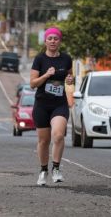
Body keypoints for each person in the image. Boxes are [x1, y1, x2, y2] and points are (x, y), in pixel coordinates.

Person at [30, 27, 74, 186]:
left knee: (58, 135)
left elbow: (70, 78)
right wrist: (46, 75)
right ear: (45, 41)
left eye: (56, 38)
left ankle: (56, 168)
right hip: (42, 104)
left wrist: (69, 81)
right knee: (43, 141)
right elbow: (33, 83)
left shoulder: (66, 59)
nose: (53, 41)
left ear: (60, 41)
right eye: (50, 38)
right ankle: (43, 171)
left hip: (59, 104)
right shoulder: (39, 59)